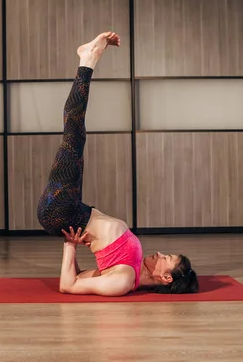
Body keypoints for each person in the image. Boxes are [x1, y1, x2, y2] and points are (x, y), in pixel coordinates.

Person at [37, 31, 199, 297]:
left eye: (166, 257)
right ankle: (86, 60)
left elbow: (69, 285)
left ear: (167, 277)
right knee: (75, 134)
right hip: (72, 209)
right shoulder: (131, 269)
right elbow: (78, 276)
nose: (159, 253)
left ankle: (87, 61)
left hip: (63, 211)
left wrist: (70, 246)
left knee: (74, 133)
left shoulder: (123, 280)